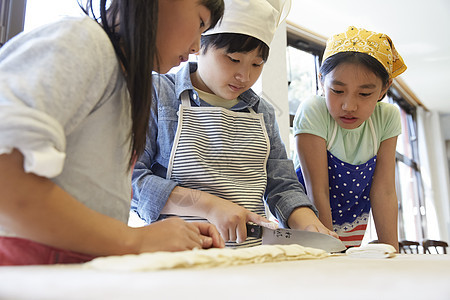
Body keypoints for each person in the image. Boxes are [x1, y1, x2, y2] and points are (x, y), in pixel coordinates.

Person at [0, 0, 225, 266]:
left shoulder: (124, 84)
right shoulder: (84, 42)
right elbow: (7, 181)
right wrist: (134, 240)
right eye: (200, 22)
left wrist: (153, 238)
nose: (196, 47)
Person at [131, 0, 337, 248]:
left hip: (250, 255)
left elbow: (282, 185)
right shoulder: (160, 93)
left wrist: (309, 226)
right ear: (199, 45)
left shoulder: (262, 112)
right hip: (179, 253)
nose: (245, 76)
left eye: (256, 64)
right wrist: (209, 205)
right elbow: (133, 180)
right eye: (233, 59)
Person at [293, 26, 407, 251]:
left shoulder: (387, 117)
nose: (349, 106)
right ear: (321, 81)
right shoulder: (313, 111)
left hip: (353, 224)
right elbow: (318, 191)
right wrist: (330, 250)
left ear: (385, 88)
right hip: (307, 228)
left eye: (365, 94)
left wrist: (392, 252)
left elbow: (384, 191)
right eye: (337, 90)